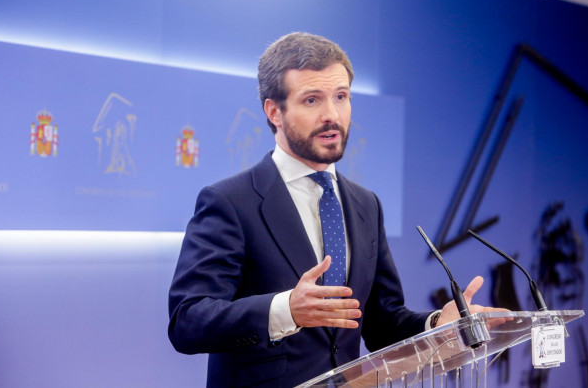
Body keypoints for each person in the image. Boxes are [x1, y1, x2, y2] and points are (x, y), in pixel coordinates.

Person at [168, 32, 502, 387]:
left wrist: (436, 325)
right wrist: (285, 310)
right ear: (274, 112)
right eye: (312, 100)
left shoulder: (365, 204)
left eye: (341, 97)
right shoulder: (231, 201)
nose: (332, 115)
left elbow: (380, 321)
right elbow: (188, 321)